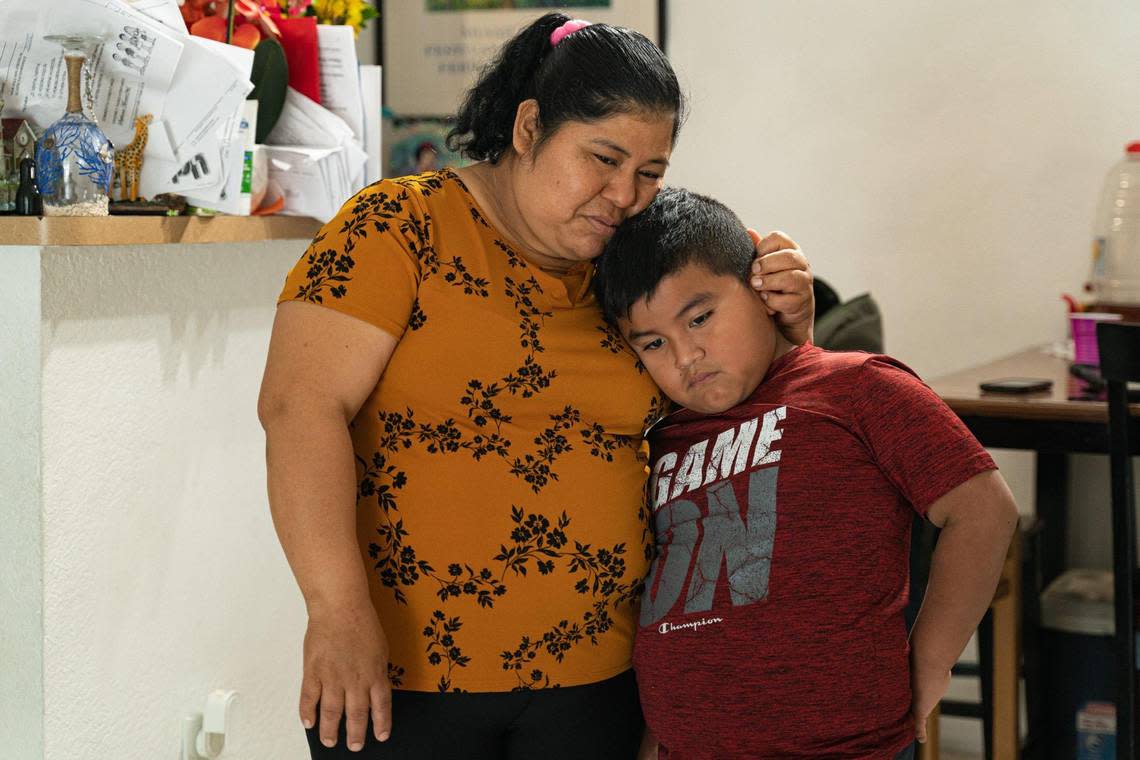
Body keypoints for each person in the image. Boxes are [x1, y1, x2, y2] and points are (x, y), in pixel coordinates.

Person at [257, 13, 814, 760]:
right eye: (604, 159)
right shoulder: (398, 227)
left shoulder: (632, 272)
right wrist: (335, 608)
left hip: (600, 679)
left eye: (651, 173)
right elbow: (299, 408)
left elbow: (731, 411)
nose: (625, 194)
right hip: (405, 676)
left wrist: (791, 330)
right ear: (528, 129)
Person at [592, 187, 1020, 760]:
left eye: (700, 317)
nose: (685, 355)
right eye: (653, 343)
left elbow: (985, 509)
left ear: (760, 285)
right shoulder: (663, 437)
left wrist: (931, 662)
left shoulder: (858, 387)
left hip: (849, 746)